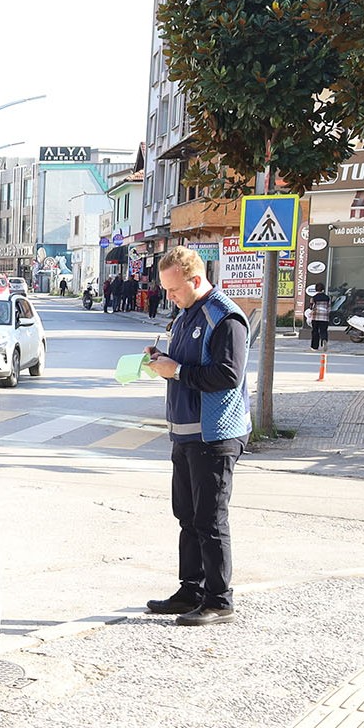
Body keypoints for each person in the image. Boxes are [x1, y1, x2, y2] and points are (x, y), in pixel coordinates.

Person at [143, 246, 250, 626]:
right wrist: (161, 357)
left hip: (214, 434)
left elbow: (227, 375)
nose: (168, 297)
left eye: (173, 290)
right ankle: (191, 589)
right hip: (186, 433)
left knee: (210, 519)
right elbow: (184, 360)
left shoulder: (225, 317)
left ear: (195, 279)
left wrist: (177, 372)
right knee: (186, 516)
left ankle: (219, 599)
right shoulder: (186, 314)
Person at [307, 285, 331, 351]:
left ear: (316, 290)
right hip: (325, 317)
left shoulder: (314, 298)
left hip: (316, 316)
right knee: (323, 330)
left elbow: (311, 307)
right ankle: (324, 340)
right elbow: (329, 308)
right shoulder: (327, 298)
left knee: (315, 331)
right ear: (323, 289)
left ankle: (314, 347)